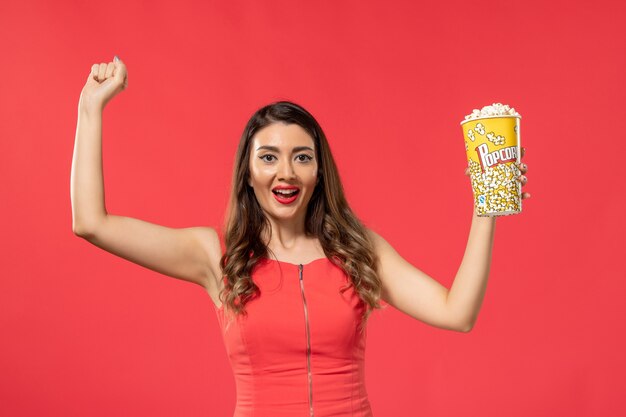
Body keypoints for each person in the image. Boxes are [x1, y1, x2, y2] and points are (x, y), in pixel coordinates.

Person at [71, 56, 531, 417]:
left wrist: (487, 206)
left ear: (319, 171)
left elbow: (458, 313)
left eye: (302, 158)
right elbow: (92, 222)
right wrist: (90, 109)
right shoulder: (215, 255)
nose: (285, 172)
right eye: (268, 158)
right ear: (248, 174)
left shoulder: (357, 249)